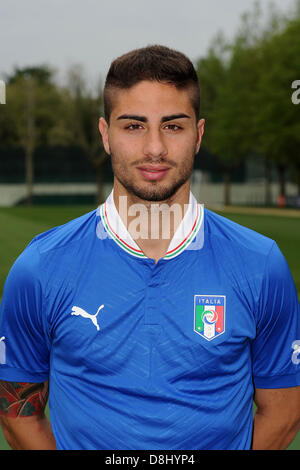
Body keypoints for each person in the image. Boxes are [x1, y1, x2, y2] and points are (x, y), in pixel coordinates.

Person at [0, 45, 300, 451]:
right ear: (106, 135)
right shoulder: (40, 268)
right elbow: (18, 411)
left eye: (174, 126)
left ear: (199, 134)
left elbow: (283, 411)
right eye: (134, 126)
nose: (155, 148)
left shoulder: (260, 265)